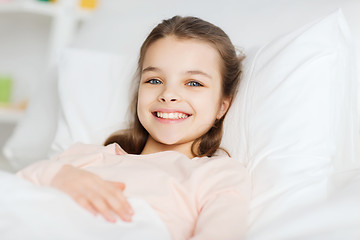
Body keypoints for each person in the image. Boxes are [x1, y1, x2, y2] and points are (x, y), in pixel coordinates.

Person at [17, 16, 249, 239]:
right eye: (154, 80)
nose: (168, 94)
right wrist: (57, 175)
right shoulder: (83, 156)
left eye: (193, 83)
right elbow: (13, 194)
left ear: (222, 106)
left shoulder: (216, 175)